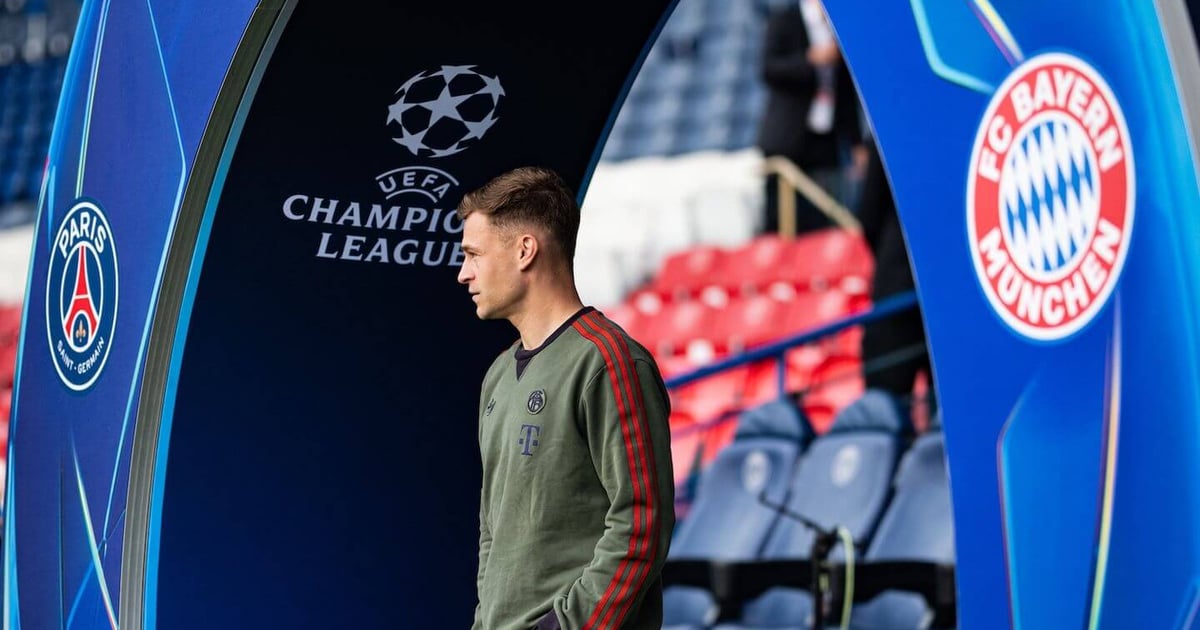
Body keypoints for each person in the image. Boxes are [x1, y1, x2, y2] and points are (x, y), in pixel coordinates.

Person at [457, 166, 675, 630]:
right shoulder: (497, 375)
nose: (463, 274)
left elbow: (641, 525)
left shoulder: (609, 362)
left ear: (525, 250)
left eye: (473, 254)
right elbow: (492, 530)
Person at [756, 0, 864, 234]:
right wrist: (810, 60)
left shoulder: (840, 30)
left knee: (824, 217)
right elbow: (769, 68)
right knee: (783, 220)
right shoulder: (786, 19)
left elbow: (846, 94)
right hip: (788, 139)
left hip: (825, 140)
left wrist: (856, 143)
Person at [857, 141, 937, 419]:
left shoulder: (891, 123)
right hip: (935, 290)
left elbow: (869, 214)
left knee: (885, 416)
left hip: (898, 282)